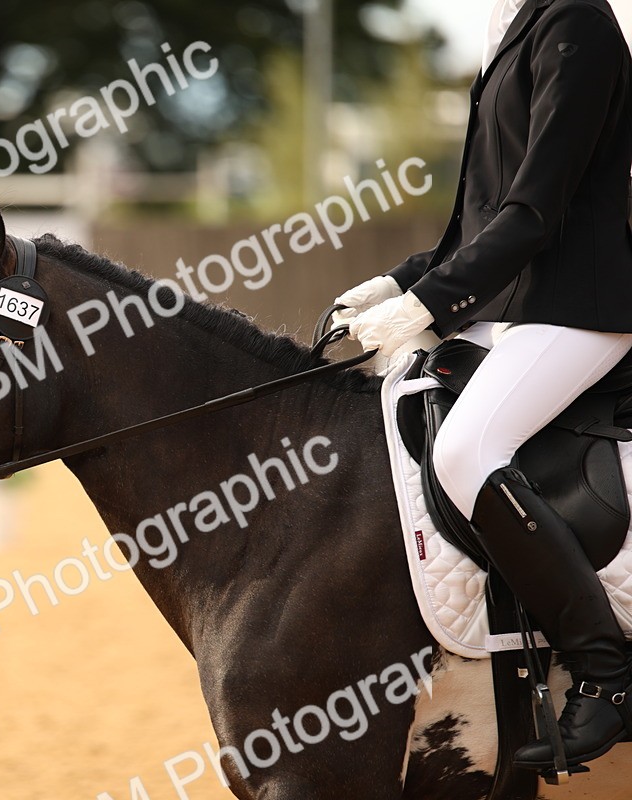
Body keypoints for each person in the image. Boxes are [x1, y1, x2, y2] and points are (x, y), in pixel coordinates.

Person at [335, 0, 632, 772]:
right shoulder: (511, 30)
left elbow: (534, 210)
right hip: (512, 306)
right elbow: (478, 218)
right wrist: (396, 282)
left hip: (577, 307)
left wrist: (428, 305)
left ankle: (605, 672)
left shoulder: (580, 28)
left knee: (466, 449)